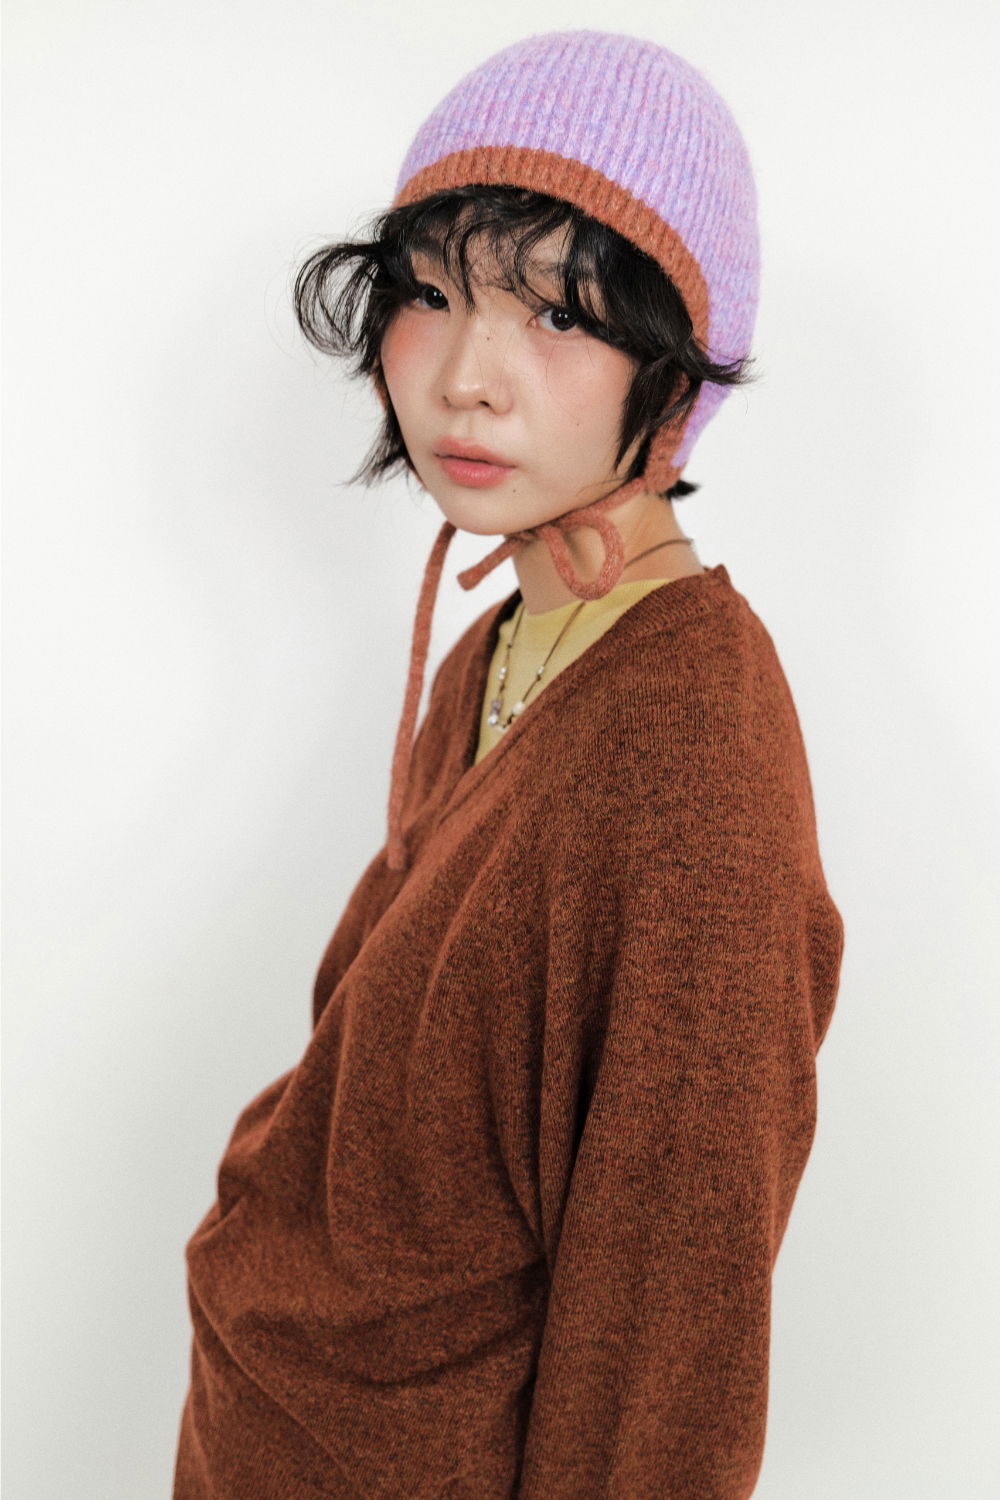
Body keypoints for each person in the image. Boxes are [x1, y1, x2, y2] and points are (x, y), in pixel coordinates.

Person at [172, 29, 845, 1498]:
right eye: (431, 293)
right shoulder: (496, 649)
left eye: (557, 312)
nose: (468, 378)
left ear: (677, 371)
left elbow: (669, 1348)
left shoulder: (695, 756)